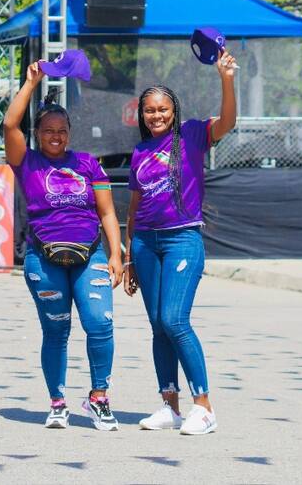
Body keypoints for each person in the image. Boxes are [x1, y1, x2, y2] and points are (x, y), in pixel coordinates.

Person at [4, 62, 124, 431]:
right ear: (38, 134)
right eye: (48, 131)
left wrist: (117, 255)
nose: (55, 137)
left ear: (70, 132)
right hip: (45, 258)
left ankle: (98, 398)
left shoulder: (88, 164)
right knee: (56, 331)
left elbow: (107, 213)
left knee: (100, 323)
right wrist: (29, 84)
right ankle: (57, 402)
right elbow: (9, 125)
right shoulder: (27, 162)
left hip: (91, 255)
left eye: (62, 131)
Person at [124, 49, 238, 436]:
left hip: (182, 239)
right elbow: (134, 206)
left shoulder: (191, 135)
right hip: (144, 244)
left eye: (163, 109)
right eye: (150, 111)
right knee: (158, 325)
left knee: (174, 319)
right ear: (142, 114)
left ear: (173, 111)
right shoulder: (139, 151)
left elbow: (227, 122)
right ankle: (168, 406)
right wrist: (128, 257)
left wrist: (226, 78)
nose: (156, 116)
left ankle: (203, 406)